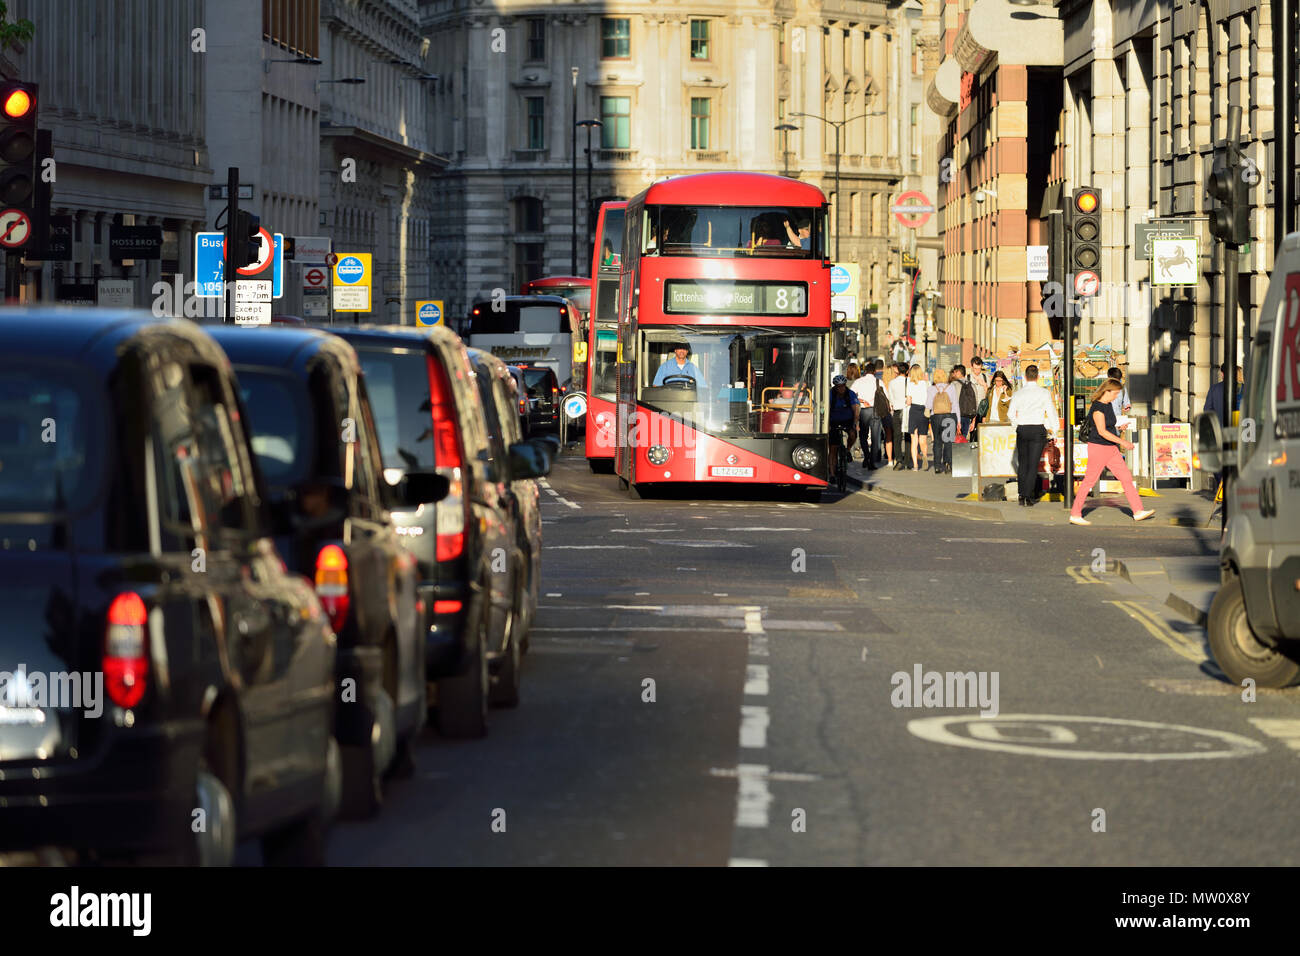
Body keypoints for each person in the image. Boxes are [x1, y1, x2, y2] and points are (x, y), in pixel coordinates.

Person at [1070, 378, 1155, 525]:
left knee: (1126, 478)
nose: (1116, 397)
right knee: (1089, 481)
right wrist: (1123, 442)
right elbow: (1101, 431)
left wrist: (1119, 428)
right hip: (1099, 448)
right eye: (1115, 393)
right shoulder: (1097, 408)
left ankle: (1138, 511)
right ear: (1107, 391)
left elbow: (1107, 427)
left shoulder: (1108, 405)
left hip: (1110, 448)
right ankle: (1075, 514)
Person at [1007, 364, 1058, 506]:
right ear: (1038, 377)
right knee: (1033, 464)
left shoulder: (1018, 393)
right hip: (1037, 429)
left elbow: (1010, 414)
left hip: (1022, 429)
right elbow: (1051, 412)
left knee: (1022, 463)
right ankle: (1028, 496)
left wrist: (1017, 424)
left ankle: (1021, 494)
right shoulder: (1044, 393)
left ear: (1025, 377)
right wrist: (1055, 429)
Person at [827, 374, 859, 481]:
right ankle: (832, 474)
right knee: (833, 448)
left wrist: (855, 423)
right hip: (834, 421)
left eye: (843, 386)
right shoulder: (831, 394)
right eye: (838, 386)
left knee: (853, 434)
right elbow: (827, 410)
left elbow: (856, 410)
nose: (841, 388)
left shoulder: (850, 394)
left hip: (847, 420)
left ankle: (847, 450)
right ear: (835, 386)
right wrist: (828, 425)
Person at [927, 367, 957, 474]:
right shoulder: (951, 387)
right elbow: (955, 404)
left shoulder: (931, 389)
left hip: (936, 417)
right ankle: (948, 463)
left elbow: (929, 405)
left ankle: (937, 466)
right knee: (948, 441)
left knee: (937, 441)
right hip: (949, 416)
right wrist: (958, 421)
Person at [850, 362, 879, 467]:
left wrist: (860, 400)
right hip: (876, 410)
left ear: (865, 371)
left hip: (864, 410)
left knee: (863, 435)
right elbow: (886, 397)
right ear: (874, 371)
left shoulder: (859, 381)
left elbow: (850, 395)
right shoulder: (878, 382)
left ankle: (866, 456)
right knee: (875, 437)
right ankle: (872, 460)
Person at [906, 364, 929, 470]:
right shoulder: (926, 383)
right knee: (923, 438)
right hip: (923, 411)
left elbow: (909, 401)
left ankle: (915, 465)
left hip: (914, 410)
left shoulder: (910, 384)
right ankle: (924, 456)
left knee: (913, 439)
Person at [887, 362, 910, 469]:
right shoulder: (910, 382)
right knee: (908, 436)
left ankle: (899, 459)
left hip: (897, 411)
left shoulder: (892, 383)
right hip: (908, 410)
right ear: (907, 371)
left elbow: (890, 399)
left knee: (897, 436)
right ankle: (908, 460)